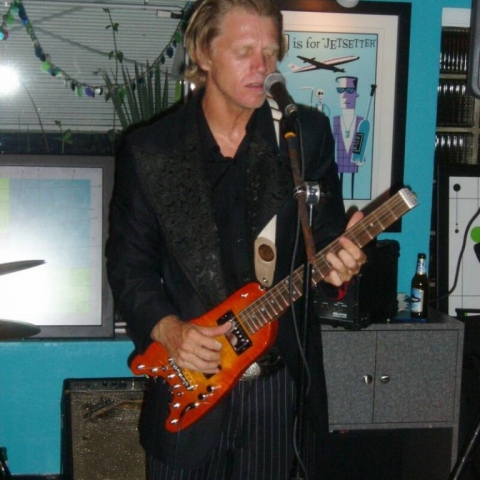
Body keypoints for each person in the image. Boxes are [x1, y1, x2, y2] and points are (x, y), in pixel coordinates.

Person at [106, 0, 366, 479]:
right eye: (245, 51)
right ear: (204, 53)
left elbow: (323, 244)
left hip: (276, 391)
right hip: (190, 383)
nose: (264, 67)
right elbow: (128, 265)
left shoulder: (303, 136)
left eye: (271, 51)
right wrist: (168, 330)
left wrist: (341, 267)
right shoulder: (150, 150)